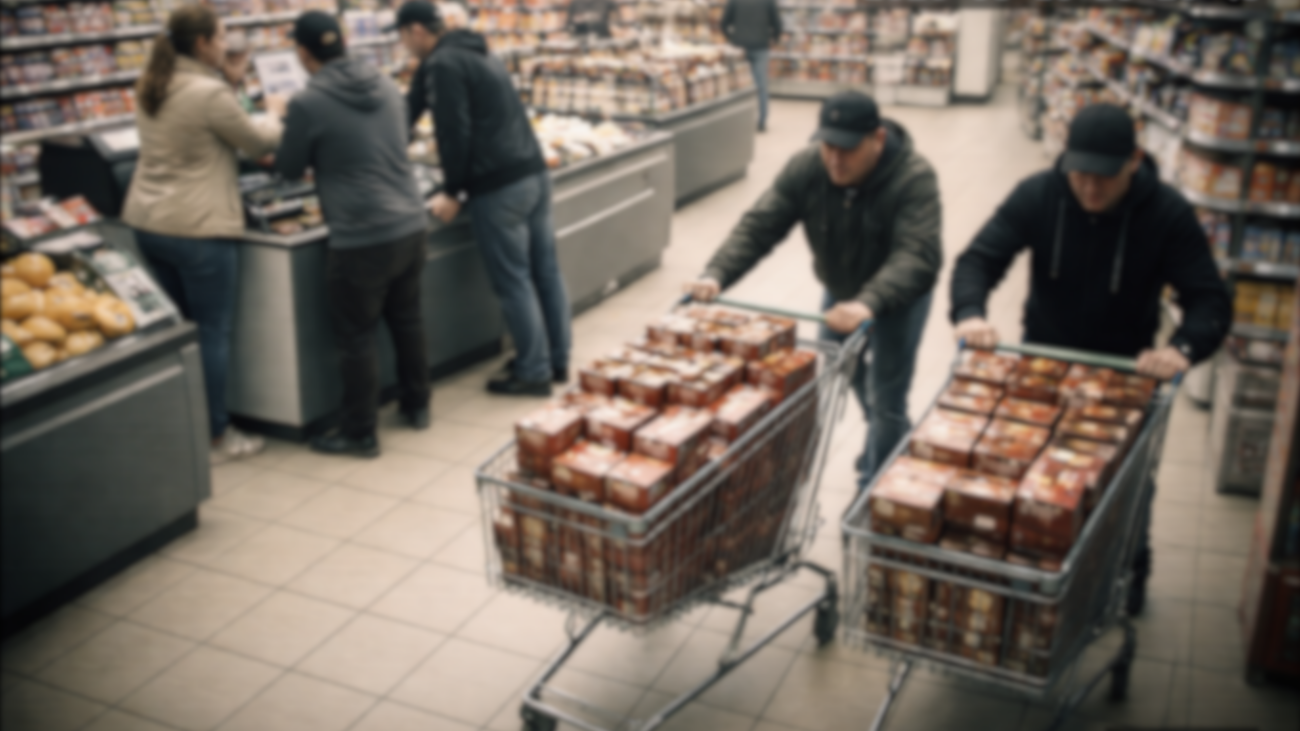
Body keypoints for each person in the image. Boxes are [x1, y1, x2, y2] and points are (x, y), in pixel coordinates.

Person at [949, 103, 1232, 614]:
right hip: (1044, 364)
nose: (1090, 189)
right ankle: (1035, 562)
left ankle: (1130, 574)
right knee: (1034, 470)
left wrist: (1181, 349)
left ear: (1134, 161)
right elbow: (980, 258)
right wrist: (970, 312)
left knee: (1126, 482)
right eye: (1079, 174)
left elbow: (1209, 298)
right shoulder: (1040, 192)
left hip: (1125, 374)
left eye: (1104, 176)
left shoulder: (1166, 213)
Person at [685, 91, 941, 488]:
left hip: (897, 301)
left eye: (848, 149)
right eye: (828, 146)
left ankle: (872, 491)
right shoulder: (808, 167)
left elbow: (916, 254)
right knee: (841, 362)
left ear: (875, 139)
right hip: (840, 292)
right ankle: (886, 440)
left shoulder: (913, 177)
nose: (835, 159)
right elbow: (760, 225)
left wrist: (869, 302)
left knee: (886, 397)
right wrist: (715, 274)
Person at [122, 3, 285, 465]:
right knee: (212, 331)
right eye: (221, 37)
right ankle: (217, 436)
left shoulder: (152, 83)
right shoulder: (209, 93)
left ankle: (188, 427)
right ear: (201, 44)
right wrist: (273, 111)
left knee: (181, 332)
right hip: (198, 227)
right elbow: (258, 142)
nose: (225, 44)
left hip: (149, 221)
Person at [274, 11, 432, 458]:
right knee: (407, 317)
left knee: (356, 336)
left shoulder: (308, 102)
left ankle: (360, 431)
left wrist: (283, 119)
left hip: (361, 236)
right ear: (342, 42)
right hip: (410, 222)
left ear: (303, 52)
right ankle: (417, 404)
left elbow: (287, 169)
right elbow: (398, 137)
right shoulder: (383, 83)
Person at [394, 0, 571, 397]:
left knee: (514, 280)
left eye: (403, 38)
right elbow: (408, 111)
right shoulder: (474, 51)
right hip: (534, 173)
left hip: (499, 185)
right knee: (545, 272)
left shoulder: (442, 64)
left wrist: (454, 190)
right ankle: (556, 359)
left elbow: (453, 131)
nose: (404, 47)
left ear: (416, 31)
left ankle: (533, 371)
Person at [722, 0, 781, 132]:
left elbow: (724, 23)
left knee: (737, 85)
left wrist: (732, 38)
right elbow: (777, 24)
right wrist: (773, 39)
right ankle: (761, 121)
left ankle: (736, 121)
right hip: (761, 46)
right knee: (761, 86)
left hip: (739, 48)